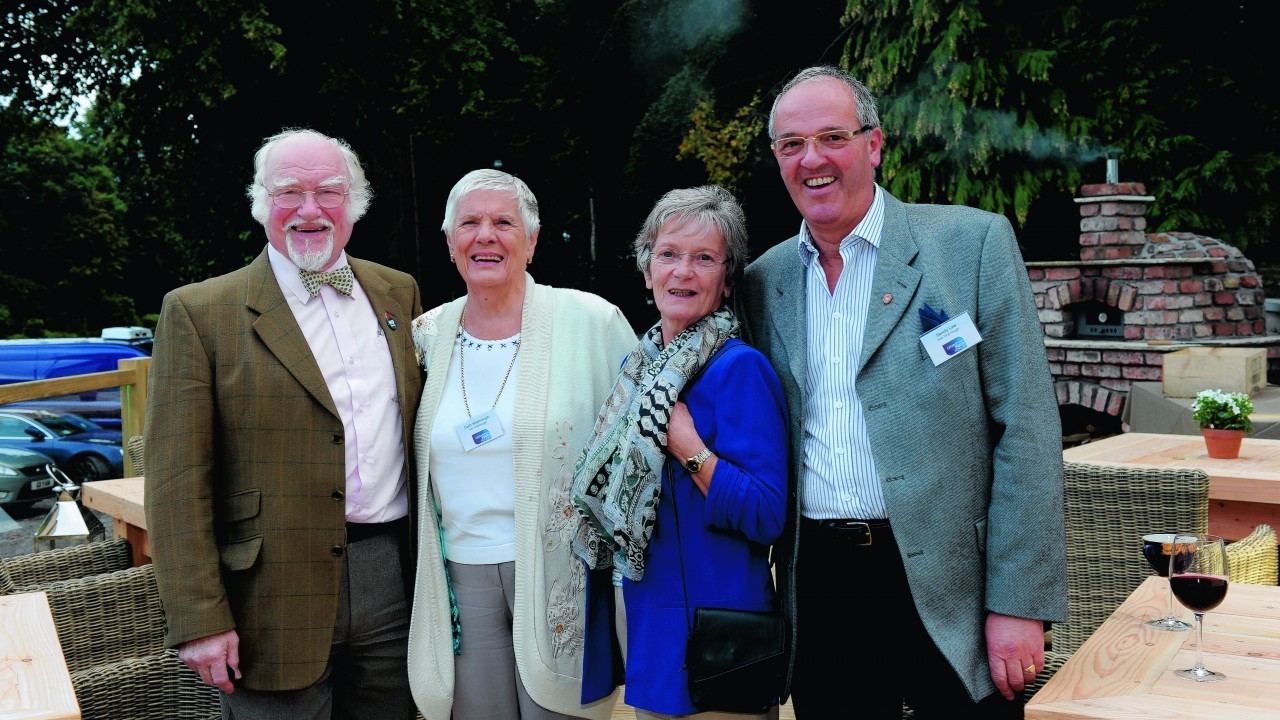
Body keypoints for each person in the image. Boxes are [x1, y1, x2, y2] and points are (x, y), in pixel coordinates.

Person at [737, 65, 1067, 718]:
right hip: (823, 588)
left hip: (954, 588)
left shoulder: (970, 246)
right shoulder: (762, 281)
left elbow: (1026, 428)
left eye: (833, 137)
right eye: (791, 145)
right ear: (777, 158)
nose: (813, 160)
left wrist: (1019, 603)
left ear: (874, 144)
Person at [144, 128, 424, 719]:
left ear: (355, 204)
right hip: (266, 595)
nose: (309, 209)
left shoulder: (398, 293)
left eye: (328, 192)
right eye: (288, 191)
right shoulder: (198, 313)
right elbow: (174, 484)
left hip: (394, 579)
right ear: (259, 202)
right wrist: (199, 619)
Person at [405, 168, 634, 720]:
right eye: (470, 223)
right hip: (460, 576)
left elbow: (640, 452)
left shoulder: (592, 322)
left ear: (531, 240)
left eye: (503, 222)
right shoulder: (425, 335)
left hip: (565, 575)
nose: (486, 235)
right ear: (450, 243)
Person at [573, 185, 789, 719]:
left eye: (704, 258)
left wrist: (688, 447)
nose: (682, 272)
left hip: (722, 649)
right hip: (654, 640)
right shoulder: (640, 375)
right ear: (647, 270)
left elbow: (766, 515)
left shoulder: (740, 370)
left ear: (726, 279)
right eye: (668, 254)